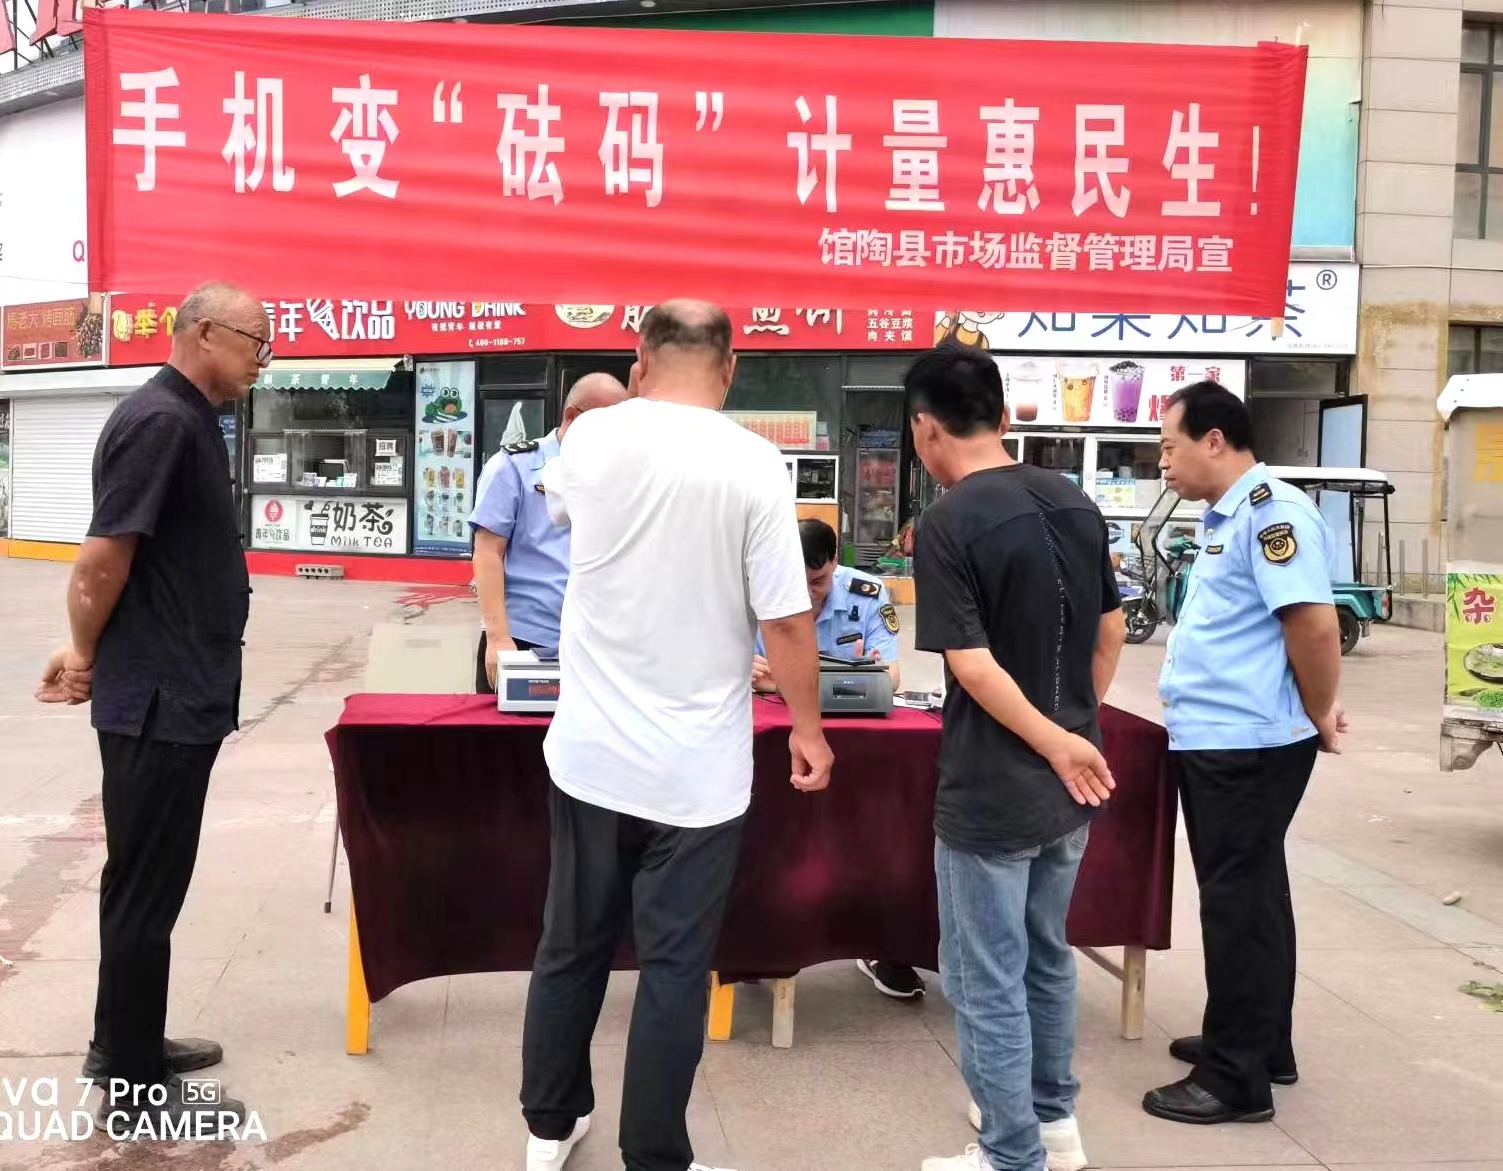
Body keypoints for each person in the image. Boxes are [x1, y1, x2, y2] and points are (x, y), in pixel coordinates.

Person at [520, 300, 833, 1171]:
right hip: (697, 770)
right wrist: (807, 728)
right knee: (673, 966)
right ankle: (654, 1155)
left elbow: (557, 512)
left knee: (570, 945)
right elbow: (786, 620)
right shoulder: (755, 463)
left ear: (639, 363)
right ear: (730, 369)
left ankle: (548, 1127)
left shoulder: (592, 438)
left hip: (589, 755)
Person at [35, 281, 269, 1130]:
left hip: (175, 691)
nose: (263, 358)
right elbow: (102, 557)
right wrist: (82, 652)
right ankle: (133, 1093)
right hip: (159, 699)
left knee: (148, 885)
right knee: (143, 889)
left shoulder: (184, 417)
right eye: (255, 340)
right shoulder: (163, 420)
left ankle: (126, 1042)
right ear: (204, 332)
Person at [905, 345, 1125, 1171]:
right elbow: (1109, 630)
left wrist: (1052, 739)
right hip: (1070, 781)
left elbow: (970, 664)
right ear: (1001, 416)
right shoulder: (1072, 498)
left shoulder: (947, 520)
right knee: (1044, 954)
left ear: (925, 429)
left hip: (995, 785)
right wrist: (1073, 727)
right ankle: (1052, 1125)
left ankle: (1009, 1153)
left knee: (983, 974)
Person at [1143, 382, 1344, 1126]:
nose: (1162, 462)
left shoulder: (1271, 513)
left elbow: (1313, 626)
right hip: (1223, 737)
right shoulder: (1226, 517)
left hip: (1245, 743)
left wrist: (1319, 708)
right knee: (1255, 893)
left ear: (1214, 440)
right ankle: (1262, 1042)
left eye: (1170, 446)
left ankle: (1234, 1077)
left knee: (1237, 903)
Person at [749, 518, 921, 1001]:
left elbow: (889, 677)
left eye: (819, 581)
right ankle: (752, 940)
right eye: (800, 583)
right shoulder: (759, 590)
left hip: (856, 746)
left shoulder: (866, 592)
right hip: (778, 744)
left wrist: (784, 680)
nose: (809, 594)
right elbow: (740, 674)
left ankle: (884, 944)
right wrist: (843, 679)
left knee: (885, 832)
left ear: (833, 563)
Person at [470, 373, 628, 692]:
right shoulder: (514, 466)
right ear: (572, 416)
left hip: (596, 644)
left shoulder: (620, 472)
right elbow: (487, 553)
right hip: (524, 639)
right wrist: (498, 637)